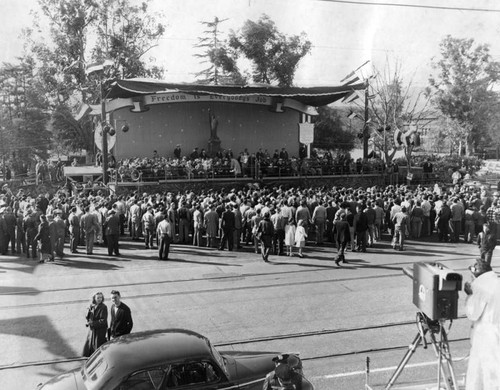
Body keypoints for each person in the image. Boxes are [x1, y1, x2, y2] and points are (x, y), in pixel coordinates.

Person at [464, 259, 500, 390]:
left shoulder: (480, 286)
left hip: (486, 338)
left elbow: (472, 313)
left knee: (481, 376)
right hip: (496, 335)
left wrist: (469, 295)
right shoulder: (496, 281)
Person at [83, 292, 108, 357]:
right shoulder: (92, 305)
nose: (100, 299)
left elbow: (103, 320)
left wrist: (93, 323)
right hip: (92, 330)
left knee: (97, 346)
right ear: (94, 298)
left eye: (101, 297)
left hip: (99, 331)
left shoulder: (103, 307)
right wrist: (88, 311)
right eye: (98, 298)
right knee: (90, 345)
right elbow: (87, 317)